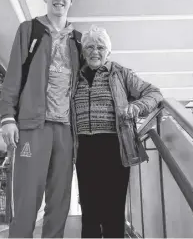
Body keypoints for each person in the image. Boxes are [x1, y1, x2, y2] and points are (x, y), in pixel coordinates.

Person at [0, 0, 82, 238]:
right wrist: (8, 118)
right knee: (26, 199)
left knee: (60, 201)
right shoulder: (30, 29)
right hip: (34, 125)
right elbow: (13, 76)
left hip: (66, 130)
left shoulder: (78, 39)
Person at [72, 25, 163, 238]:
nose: (95, 51)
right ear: (83, 52)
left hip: (115, 147)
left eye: (100, 47)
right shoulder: (75, 77)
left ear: (108, 52)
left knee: (113, 210)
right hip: (84, 149)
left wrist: (137, 107)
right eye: (90, 47)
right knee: (89, 210)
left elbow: (154, 93)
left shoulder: (120, 73)